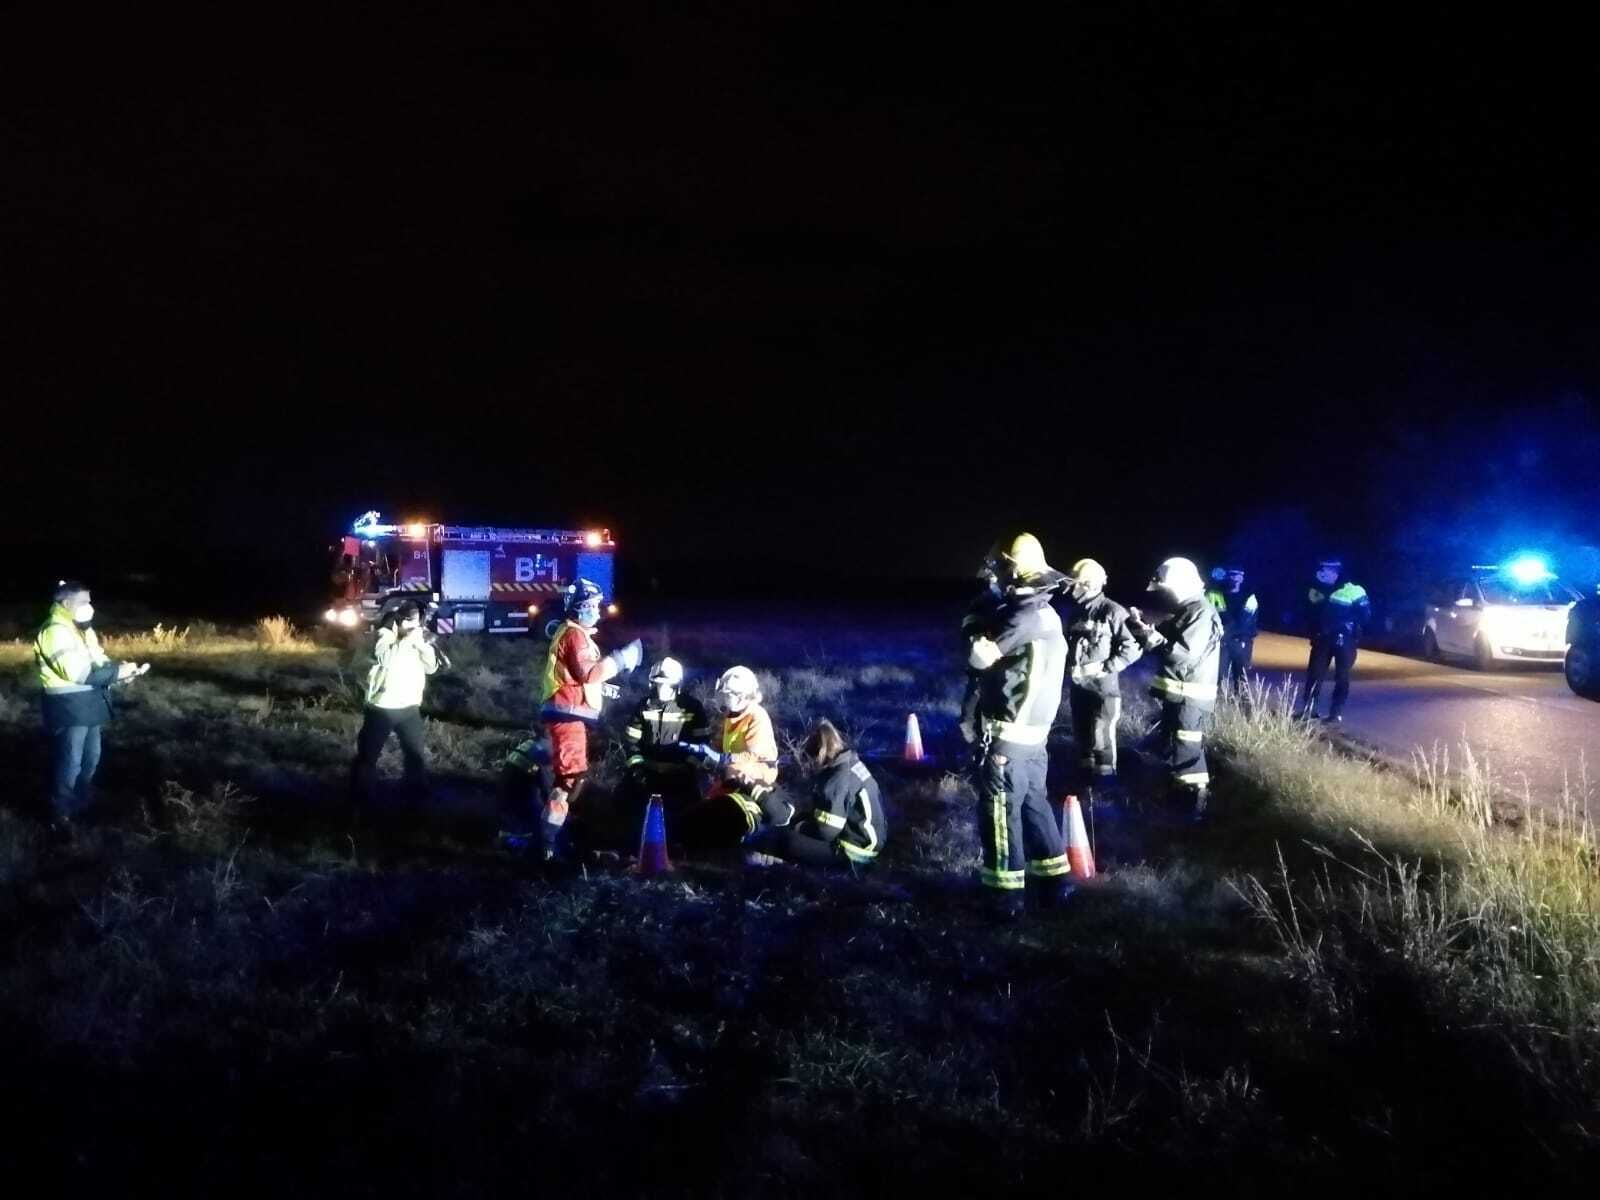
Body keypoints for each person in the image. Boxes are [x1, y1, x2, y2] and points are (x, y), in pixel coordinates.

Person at [961, 533, 1071, 916]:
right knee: (1035, 808)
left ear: (1012, 570)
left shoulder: (1018, 617)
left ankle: (1003, 900)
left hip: (1006, 744)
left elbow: (977, 659)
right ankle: (1054, 886)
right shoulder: (1045, 613)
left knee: (1000, 818)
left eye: (999, 571)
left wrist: (974, 620)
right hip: (1034, 743)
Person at [537, 579, 643, 858]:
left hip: (568, 714)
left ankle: (556, 836)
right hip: (567, 716)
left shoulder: (572, 634)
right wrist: (622, 659)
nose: (599, 612)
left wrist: (606, 688)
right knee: (569, 781)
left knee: (569, 780)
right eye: (594, 606)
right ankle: (547, 847)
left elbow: (578, 677)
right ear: (580, 608)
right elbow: (588, 674)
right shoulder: (574, 635)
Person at [33, 581, 148, 832]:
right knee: (70, 761)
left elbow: (98, 661)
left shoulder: (83, 630)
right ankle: (60, 816)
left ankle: (81, 806)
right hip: (67, 705)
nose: (89, 607)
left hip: (89, 703)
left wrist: (121, 672)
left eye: (89, 600)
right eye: (83, 602)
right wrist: (117, 672)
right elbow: (79, 674)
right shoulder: (55, 631)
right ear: (66, 604)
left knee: (90, 758)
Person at [1127, 557, 1222, 819]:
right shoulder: (1187, 610)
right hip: (1179, 696)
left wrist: (1151, 637)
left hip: (1189, 698)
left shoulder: (1200, 612)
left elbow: (1182, 654)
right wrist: (1142, 628)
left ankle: (1191, 811)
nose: (1165, 594)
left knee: (1188, 753)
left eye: (1167, 589)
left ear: (1179, 585)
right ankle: (1176, 800)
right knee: (1174, 748)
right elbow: (1161, 637)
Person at [680, 665, 792, 847]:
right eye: (725, 694)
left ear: (744, 695)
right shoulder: (731, 716)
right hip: (730, 780)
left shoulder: (757, 716)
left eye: (730, 694)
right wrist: (704, 754)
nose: (727, 698)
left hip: (753, 782)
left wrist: (724, 759)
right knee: (698, 815)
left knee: (722, 819)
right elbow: (721, 747)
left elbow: (754, 754)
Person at [1059, 557, 1142, 797]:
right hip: (1079, 688)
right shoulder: (1076, 612)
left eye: (1075, 584)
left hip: (1103, 690)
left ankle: (1106, 787)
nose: (1071, 588)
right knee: (1082, 734)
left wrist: (1106, 667)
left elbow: (1132, 647)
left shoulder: (1113, 611)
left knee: (1100, 736)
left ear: (1090, 584)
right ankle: (1085, 783)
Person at [760, 719, 886, 869]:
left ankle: (772, 864)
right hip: (869, 840)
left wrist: (800, 827)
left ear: (818, 754)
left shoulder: (836, 779)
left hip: (852, 851)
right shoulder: (850, 762)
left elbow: (827, 832)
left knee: (785, 839)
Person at [350, 600, 440, 810]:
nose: (414, 628)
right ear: (400, 621)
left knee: (415, 755)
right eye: (410, 623)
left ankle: (416, 797)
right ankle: (359, 801)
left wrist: (423, 644)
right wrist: (410, 639)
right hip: (382, 707)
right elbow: (385, 658)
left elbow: (431, 668)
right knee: (367, 757)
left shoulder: (416, 637)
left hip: (409, 708)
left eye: (417, 624)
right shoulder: (385, 635)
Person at [619, 657, 712, 825]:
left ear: (677, 684)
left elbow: (702, 744)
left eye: (666, 683)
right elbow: (631, 743)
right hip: (647, 772)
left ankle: (682, 848)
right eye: (658, 683)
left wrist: (687, 767)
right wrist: (637, 768)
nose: (662, 687)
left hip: (680, 774)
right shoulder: (644, 705)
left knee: (688, 817)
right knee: (624, 806)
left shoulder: (692, 707)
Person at [1293, 558, 1371, 722]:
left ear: (1336, 572)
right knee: (1314, 675)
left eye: (1326, 571)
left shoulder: (1354, 590)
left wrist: (1348, 627)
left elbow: (1365, 616)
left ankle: (1335, 714)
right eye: (1321, 570)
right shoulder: (1316, 589)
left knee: (1342, 677)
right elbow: (1309, 611)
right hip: (1322, 639)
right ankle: (1309, 711)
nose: (1321, 573)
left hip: (1345, 641)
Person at [1206, 566, 1260, 691]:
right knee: (1218, 675)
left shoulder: (1249, 597)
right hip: (1221, 641)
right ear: (1227, 577)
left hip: (1241, 642)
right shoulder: (1214, 594)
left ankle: (1242, 706)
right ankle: (1216, 702)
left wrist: (1244, 639)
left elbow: (1249, 622)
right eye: (1233, 575)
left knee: (1242, 677)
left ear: (1242, 578)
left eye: (1239, 576)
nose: (1236, 579)